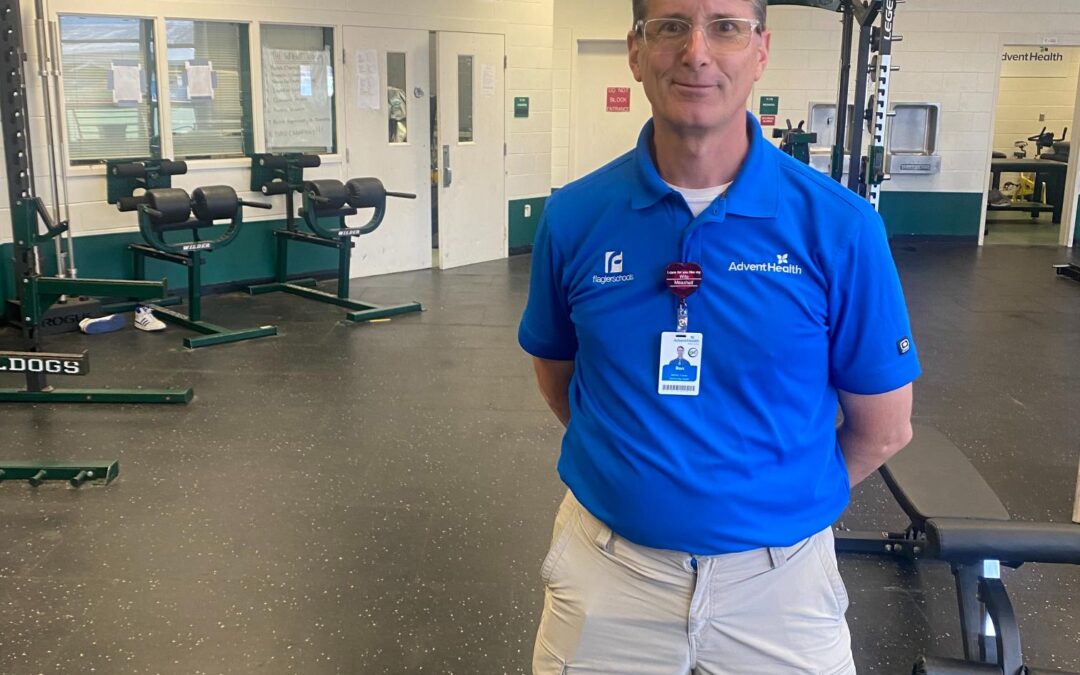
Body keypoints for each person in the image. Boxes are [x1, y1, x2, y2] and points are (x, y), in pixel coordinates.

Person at [517, 0, 921, 672]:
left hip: (781, 584)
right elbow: (559, 375)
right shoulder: (575, 217)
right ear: (636, 52)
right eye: (671, 26)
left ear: (760, 51)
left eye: (726, 27)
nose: (696, 52)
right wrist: (639, 474)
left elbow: (884, 426)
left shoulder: (840, 228)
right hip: (609, 572)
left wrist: (772, 498)